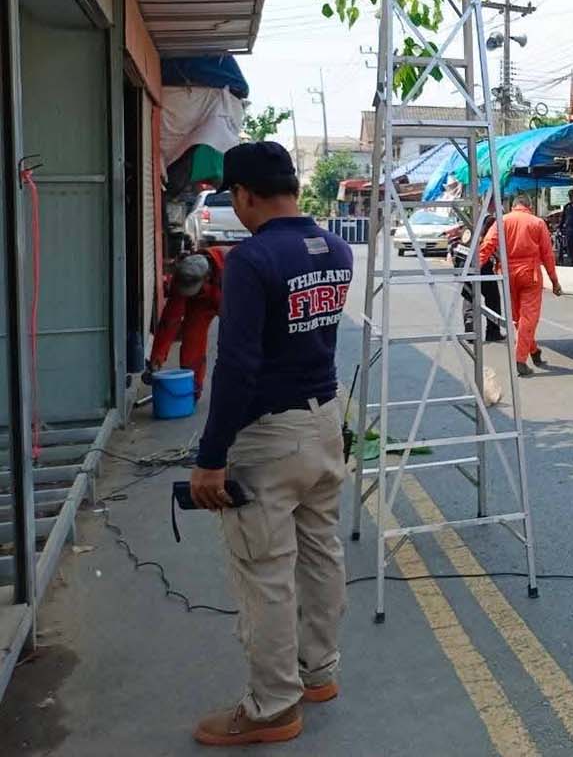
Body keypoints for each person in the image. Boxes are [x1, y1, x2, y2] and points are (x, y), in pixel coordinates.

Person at [188, 141, 353, 747]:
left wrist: (210, 457)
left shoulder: (253, 261)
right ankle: (319, 674)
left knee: (265, 571)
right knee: (320, 553)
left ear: (243, 196)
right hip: (324, 423)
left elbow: (236, 365)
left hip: (271, 437)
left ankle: (272, 707)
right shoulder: (335, 249)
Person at [476, 194, 563, 377]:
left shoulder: (502, 221)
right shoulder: (537, 223)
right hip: (530, 275)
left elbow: (487, 246)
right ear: (529, 205)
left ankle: (534, 351)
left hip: (507, 274)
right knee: (528, 318)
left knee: (518, 318)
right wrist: (554, 281)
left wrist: (474, 267)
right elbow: (548, 255)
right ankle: (520, 359)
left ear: (514, 206)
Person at [148, 246, 229, 394]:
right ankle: (192, 390)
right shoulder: (183, 277)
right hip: (202, 303)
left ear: (207, 277)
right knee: (192, 341)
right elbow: (170, 319)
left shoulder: (233, 266)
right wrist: (157, 357)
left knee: (239, 347)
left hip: (233, 299)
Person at [452, 213, 504, 343]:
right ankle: (493, 332)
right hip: (480, 260)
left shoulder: (470, 217)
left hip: (462, 259)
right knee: (492, 297)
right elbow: (491, 243)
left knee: (470, 295)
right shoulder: (491, 221)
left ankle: (470, 326)